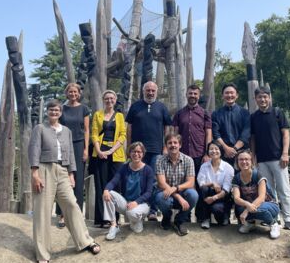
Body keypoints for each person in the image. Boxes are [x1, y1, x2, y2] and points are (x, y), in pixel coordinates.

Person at [28, 100, 100, 263]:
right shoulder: (40, 128)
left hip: (63, 171)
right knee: (42, 211)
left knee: (72, 204)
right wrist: (35, 174)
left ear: (61, 113)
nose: (54, 112)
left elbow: (71, 154)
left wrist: (71, 174)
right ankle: (42, 252)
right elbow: (33, 150)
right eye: (51, 110)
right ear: (47, 112)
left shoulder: (66, 130)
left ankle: (85, 241)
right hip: (45, 169)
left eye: (57, 110)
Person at [126, 81, 172, 220]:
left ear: (156, 92)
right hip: (137, 151)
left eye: (153, 90)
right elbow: (129, 128)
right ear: (143, 91)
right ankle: (137, 209)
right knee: (137, 180)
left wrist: (165, 147)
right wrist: (129, 147)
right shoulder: (135, 107)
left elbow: (167, 128)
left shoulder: (162, 107)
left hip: (156, 150)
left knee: (153, 180)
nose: (150, 92)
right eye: (148, 90)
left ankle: (152, 211)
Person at [250, 86, 290, 230]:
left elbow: (286, 134)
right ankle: (274, 218)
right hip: (262, 160)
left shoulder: (277, 113)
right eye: (259, 97)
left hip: (278, 158)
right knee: (268, 192)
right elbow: (253, 139)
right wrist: (253, 156)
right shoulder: (254, 117)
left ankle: (288, 219)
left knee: (284, 189)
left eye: (265, 97)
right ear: (255, 99)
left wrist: (285, 153)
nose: (262, 99)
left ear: (269, 98)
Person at [173, 84, 212, 221]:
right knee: (185, 187)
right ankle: (186, 215)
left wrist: (207, 153)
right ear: (186, 94)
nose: (193, 96)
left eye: (195, 94)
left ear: (199, 95)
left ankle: (201, 216)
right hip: (183, 156)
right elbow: (175, 135)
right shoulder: (179, 114)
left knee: (201, 186)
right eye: (190, 93)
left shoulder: (205, 113)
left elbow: (208, 134)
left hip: (200, 155)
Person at [102, 142, 154, 240]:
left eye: (139, 152)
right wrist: (106, 189)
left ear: (143, 154)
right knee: (108, 194)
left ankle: (137, 220)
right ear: (130, 153)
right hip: (126, 203)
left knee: (134, 221)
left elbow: (149, 192)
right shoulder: (124, 168)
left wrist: (136, 202)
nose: (136, 154)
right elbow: (113, 182)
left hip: (142, 204)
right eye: (133, 151)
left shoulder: (148, 170)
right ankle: (114, 225)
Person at [90, 89, 126, 227]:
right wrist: (99, 150)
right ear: (103, 100)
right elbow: (94, 134)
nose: (109, 101)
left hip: (115, 153)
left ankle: (114, 219)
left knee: (115, 186)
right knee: (101, 185)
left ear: (115, 100)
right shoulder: (98, 115)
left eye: (112, 98)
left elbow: (122, 135)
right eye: (107, 99)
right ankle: (101, 219)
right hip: (100, 151)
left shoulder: (120, 116)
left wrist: (111, 150)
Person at [56, 83, 90, 228]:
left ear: (79, 93)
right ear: (66, 93)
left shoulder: (84, 109)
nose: (73, 94)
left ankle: (77, 213)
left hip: (78, 144)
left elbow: (87, 130)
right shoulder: (62, 109)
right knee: (63, 179)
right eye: (70, 92)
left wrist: (86, 149)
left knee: (78, 179)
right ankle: (62, 214)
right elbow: (56, 127)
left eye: (75, 92)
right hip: (63, 144)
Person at [155, 133, 198, 236]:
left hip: (184, 194)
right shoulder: (160, 160)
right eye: (170, 143)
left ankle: (180, 220)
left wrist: (176, 188)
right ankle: (167, 216)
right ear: (166, 145)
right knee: (160, 197)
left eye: (175, 142)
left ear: (180, 145)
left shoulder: (188, 160)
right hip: (167, 194)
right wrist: (178, 197)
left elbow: (190, 182)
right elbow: (161, 183)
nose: (173, 145)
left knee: (194, 195)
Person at [232, 150, 280, 239]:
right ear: (237, 162)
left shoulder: (258, 175)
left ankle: (273, 223)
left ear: (251, 161)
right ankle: (250, 223)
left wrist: (247, 210)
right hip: (250, 205)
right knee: (238, 208)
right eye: (241, 159)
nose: (244, 162)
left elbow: (261, 198)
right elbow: (236, 198)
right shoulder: (237, 178)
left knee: (258, 209)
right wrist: (247, 205)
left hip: (268, 205)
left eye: (246, 159)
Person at [197, 141, 234, 229]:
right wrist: (212, 183)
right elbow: (201, 183)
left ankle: (224, 216)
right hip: (207, 194)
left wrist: (214, 198)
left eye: (216, 149)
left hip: (222, 196)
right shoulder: (204, 166)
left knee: (217, 210)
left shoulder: (228, 167)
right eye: (211, 149)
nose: (214, 151)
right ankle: (206, 218)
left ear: (221, 151)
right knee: (204, 189)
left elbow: (226, 189)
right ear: (208, 152)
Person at [212, 83, 250, 167]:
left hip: (242, 154)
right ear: (222, 96)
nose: (229, 95)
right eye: (226, 93)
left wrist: (234, 149)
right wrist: (226, 148)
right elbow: (215, 133)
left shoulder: (245, 113)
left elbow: (246, 134)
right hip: (223, 154)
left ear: (237, 95)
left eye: (232, 93)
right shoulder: (216, 114)